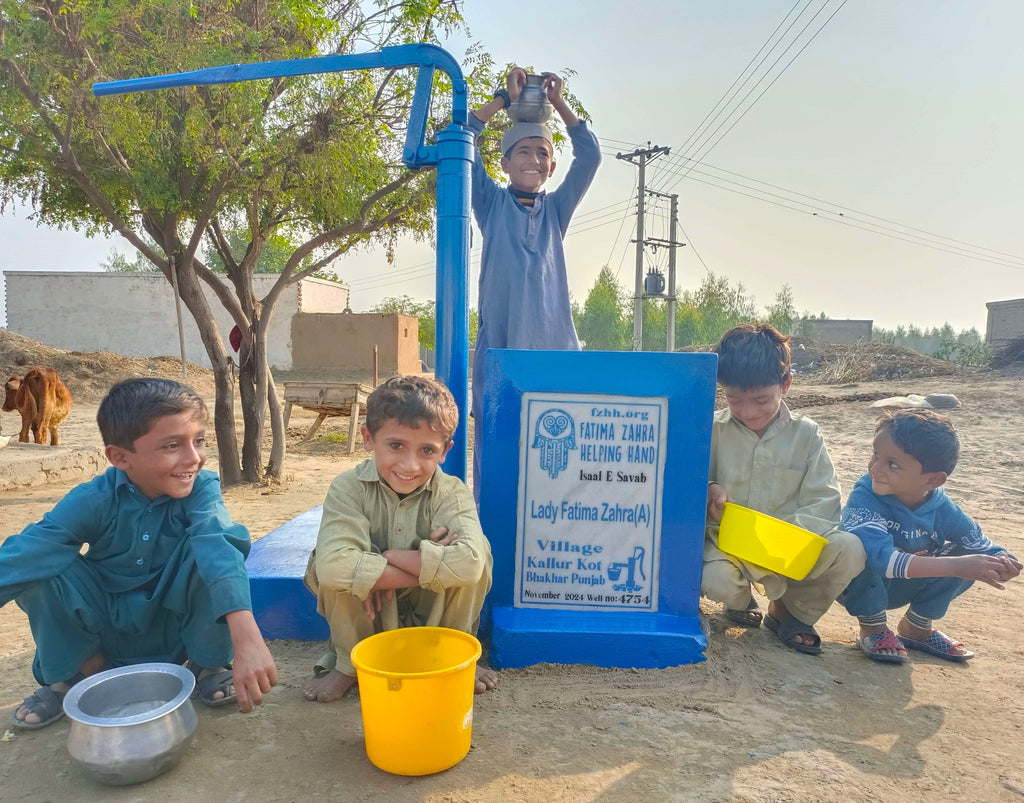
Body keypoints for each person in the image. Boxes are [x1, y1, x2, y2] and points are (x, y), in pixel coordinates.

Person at [3, 378, 277, 729]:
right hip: (103, 631)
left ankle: (208, 665)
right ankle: (75, 678)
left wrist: (247, 638)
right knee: (41, 565)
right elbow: (28, 551)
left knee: (214, 548)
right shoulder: (94, 498)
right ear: (120, 457)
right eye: (172, 445)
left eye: (199, 441)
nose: (194, 458)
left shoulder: (201, 490)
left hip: (173, 631)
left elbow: (216, 544)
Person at [302, 375, 495, 703]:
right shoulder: (348, 487)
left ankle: (452, 654)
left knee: (482, 555)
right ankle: (350, 665)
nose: (410, 464)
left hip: (431, 613)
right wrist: (427, 560)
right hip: (371, 617)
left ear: (446, 451)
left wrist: (381, 560)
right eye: (396, 446)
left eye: (426, 450)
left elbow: (470, 564)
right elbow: (335, 568)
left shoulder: (452, 493)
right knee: (325, 560)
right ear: (368, 438)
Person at [468, 67, 601, 500]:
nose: (533, 161)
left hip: (553, 346)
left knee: (556, 445)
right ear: (504, 163)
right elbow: (463, 140)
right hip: (501, 346)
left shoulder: (556, 210)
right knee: (496, 444)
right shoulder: (491, 205)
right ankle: (489, 533)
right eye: (523, 152)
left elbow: (591, 158)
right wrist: (503, 101)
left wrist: (559, 103)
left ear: (552, 165)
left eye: (542, 154)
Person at [702, 323, 866, 655]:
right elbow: (688, 482)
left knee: (850, 549)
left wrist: (784, 540)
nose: (748, 412)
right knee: (716, 581)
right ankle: (741, 600)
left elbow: (825, 500)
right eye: (735, 400)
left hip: (788, 545)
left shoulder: (807, 436)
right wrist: (709, 488)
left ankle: (788, 613)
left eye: (761, 400)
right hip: (727, 544)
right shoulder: (712, 429)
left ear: (786, 385)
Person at [840, 408, 1021, 663]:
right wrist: (957, 565)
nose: (875, 469)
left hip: (905, 582)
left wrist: (1003, 562)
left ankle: (917, 627)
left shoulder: (941, 508)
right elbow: (881, 560)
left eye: (892, 464)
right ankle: (873, 626)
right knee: (860, 547)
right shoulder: (866, 497)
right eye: (876, 455)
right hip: (859, 585)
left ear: (933, 480)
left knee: (973, 556)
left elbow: (981, 544)